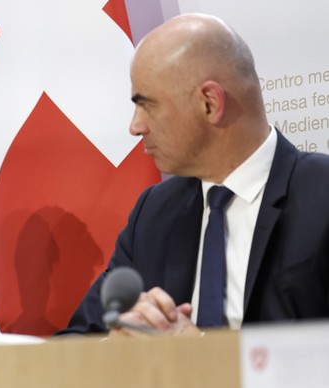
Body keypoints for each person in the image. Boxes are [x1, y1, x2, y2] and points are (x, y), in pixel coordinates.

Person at [59, 13, 329, 336]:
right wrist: (118, 347)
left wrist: (201, 356)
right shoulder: (153, 214)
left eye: (148, 105)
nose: (135, 126)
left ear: (210, 104)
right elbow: (73, 342)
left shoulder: (321, 194)